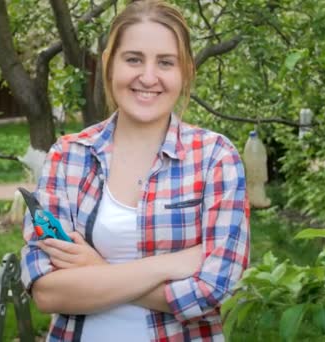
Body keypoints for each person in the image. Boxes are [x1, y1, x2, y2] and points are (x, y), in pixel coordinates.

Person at [20, 1, 250, 340]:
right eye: (133, 59)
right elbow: (47, 292)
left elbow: (217, 289)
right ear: (109, 64)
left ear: (185, 71)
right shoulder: (69, 156)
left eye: (165, 62)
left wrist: (97, 271)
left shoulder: (215, 158)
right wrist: (169, 265)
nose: (148, 77)